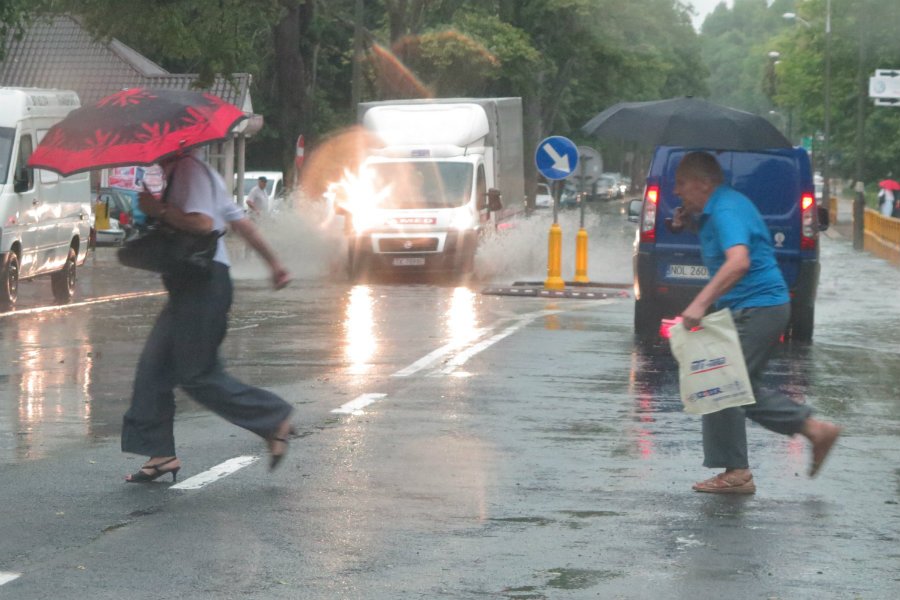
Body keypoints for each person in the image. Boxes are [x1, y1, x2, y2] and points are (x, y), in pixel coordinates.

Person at [670, 151, 841, 495]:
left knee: (726, 386)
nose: (676, 190)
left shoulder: (726, 209)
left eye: (681, 182)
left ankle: (748, 466)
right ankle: (802, 435)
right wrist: (687, 221)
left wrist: (700, 303)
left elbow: (739, 262)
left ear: (704, 183)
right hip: (751, 307)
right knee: (727, 385)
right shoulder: (716, 208)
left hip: (759, 307)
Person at [122, 149, 294, 483]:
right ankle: (160, 454)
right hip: (190, 287)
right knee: (153, 365)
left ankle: (274, 418)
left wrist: (158, 209)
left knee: (197, 374)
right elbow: (242, 224)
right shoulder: (197, 174)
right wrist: (274, 264)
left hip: (203, 286)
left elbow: (202, 224)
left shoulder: (189, 171)